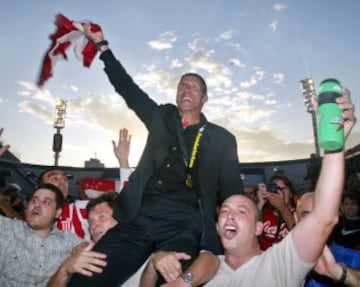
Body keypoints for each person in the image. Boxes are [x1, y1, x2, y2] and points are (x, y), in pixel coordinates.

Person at [68, 23, 244, 286]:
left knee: (174, 280)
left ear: (205, 98)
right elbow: (128, 89)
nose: (186, 89)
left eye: (194, 87)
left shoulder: (221, 139)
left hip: (183, 222)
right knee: (86, 277)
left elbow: (233, 191)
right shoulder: (161, 116)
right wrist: (102, 47)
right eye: (182, 85)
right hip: (140, 215)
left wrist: (240, 232)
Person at [200, 88, 355, 286]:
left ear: (259, 228)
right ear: (217, 228)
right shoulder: (202, 269)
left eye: (241, 211)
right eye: (225, 210)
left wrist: (335, 143)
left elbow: (323, 217)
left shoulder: (279, 264)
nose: (230, 215)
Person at [0, 183, 84, 287]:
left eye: (46, 202)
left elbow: (87, 249)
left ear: (57, 213)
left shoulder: (68, 239)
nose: (36, 204)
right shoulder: (7, 228)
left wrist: (81, 250)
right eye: (34, 200)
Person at [296, 192, 360, 287]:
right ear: (296, 219)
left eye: (322, 218)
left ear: (334, 221)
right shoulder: (281, 256)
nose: (314, 225)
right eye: (306, 217)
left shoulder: (352, 258)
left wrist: (338, 272)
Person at [257, 173, 296, 250]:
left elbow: (302, 238)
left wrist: (282, 207)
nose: (278, 192)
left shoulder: (299, 212)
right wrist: (260, 203)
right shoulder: (263, 214)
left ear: (291, 193)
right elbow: (249, 236)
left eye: (282, 189)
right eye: (275, 189)